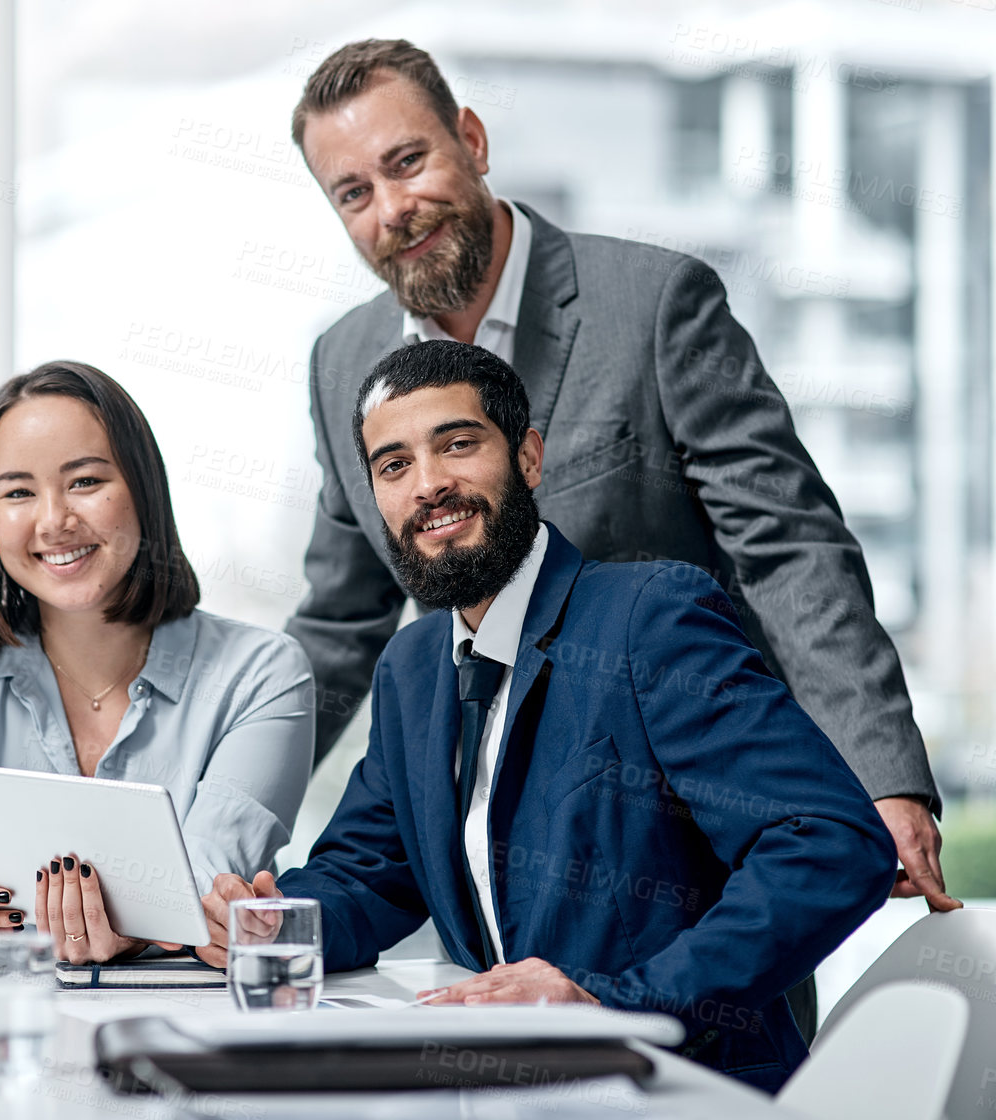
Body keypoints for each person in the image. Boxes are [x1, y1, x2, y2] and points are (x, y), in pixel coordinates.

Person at [280, 39, 957, 922]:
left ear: (472, 142)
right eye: (354, 193)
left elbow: (787, 549)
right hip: (491, 866)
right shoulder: (344, 364)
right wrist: (215, 819)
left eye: (408, 162)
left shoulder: (653, 304)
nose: (393, 209)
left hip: (685, 856)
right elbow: (337, 625)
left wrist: (880, 777)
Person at [202, 341, 896, 1090]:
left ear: (527, 458)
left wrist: (609, 1003)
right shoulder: (413, 667)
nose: (429, 485)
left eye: (458, 445)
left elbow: (831, 842)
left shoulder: (647, 617)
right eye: (393, 465)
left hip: (675, 1088)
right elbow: (371, 871)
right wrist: (283, 922)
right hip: (510, 1089)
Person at [0, 360, 314, 967]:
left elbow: (202, 885)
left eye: (84, 482)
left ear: (142, 489)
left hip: (185, 1026)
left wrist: (149, 924)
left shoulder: (261, 673)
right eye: (17, 492)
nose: (54, 520)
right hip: (9, 1021)